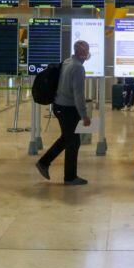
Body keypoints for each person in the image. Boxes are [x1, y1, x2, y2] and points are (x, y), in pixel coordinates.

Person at [35, 40, 91, 185]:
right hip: (68, 109)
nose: (87, 54)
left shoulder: (67, 61)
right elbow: (78, 95)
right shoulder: (78, 68)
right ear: (82, 53)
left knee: (70, 139)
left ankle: (67, 174)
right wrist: (84, 115)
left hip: (59, 105)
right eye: (86, 51)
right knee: (70, 140)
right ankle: (49, 165)